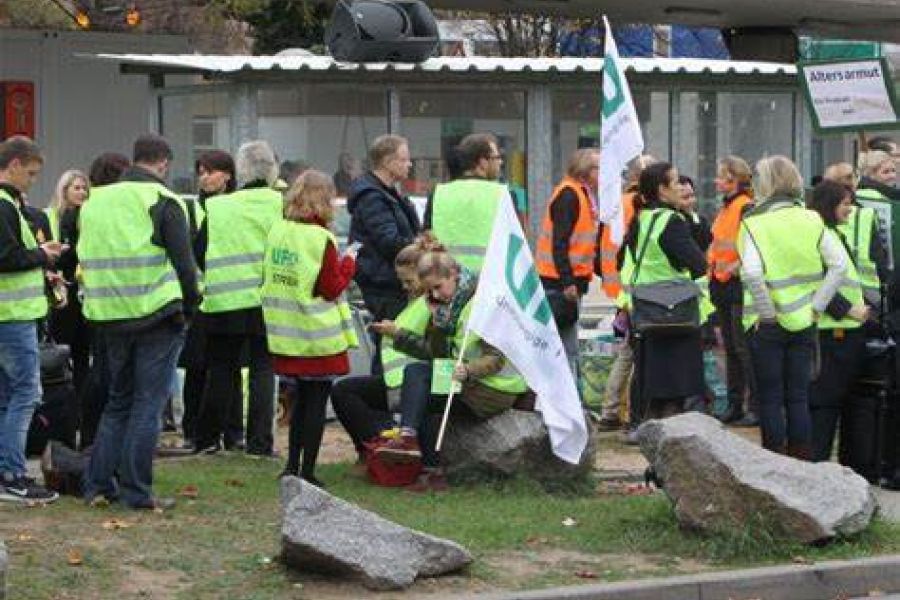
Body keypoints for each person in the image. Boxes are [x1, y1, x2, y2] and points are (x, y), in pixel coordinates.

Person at [80, 133, 200, 510]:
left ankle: (97, 485)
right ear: (163, 163)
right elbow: (185, 265)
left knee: (119, 402)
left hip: (110, 314)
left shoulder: (95, 202)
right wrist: (190, 308)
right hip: (156, 314)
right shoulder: (164, 200)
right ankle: (136, 491)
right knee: (148, 403)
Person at [371, 250, 528, 490]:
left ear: (454, 275)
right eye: (428, 291)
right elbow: (437, 355)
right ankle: (423, 459)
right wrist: (421, 329)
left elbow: (496, 359)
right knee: (419, 385)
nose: (434, 295)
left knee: (419, 385)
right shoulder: (450, 306)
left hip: (492, 390)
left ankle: (417, 451)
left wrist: (468, 370)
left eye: (437, 287)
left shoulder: (482, 305)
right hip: (468, 382)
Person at [739, 155, 847, 459]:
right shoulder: (812, 218)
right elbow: (838, 266)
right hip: (805, 320)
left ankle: (774, 461)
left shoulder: (753, 223)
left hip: (767, 325)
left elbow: (751, 272)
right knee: (798, 397)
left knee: (770, 398)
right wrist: (817, 306)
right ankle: (801, 462)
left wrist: (767, 312)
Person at [261, 170, 357, 486]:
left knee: (298, 400)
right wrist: (349, 265)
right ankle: (308, 471)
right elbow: (330, 288)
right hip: (317, 334)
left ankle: (290, 465)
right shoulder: (321, 239)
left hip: (285, 332)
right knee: (316, 403)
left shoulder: (277, 231)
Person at [193, 141, 281, 456]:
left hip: (222, 299)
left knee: (220, 369)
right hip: (265, 299)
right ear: (272, 170)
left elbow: (198, 250)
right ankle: (259, 444)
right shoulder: (279, 204)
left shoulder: (217, 207)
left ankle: (207, 439)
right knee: (263, 369)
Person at [331, 235, 437, 466]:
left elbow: (433, 350)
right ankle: (375, 445)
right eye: (402, 281)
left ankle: (382, 446)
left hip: (412, 386)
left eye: (409, 282)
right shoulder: (413, 302)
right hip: (394, 382)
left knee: (347, 392)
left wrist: (395, 333)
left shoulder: (432, 304)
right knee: (343, 391)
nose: (404, 287)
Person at [619, 162, 708, 428]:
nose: (681, 187)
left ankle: (649, 437)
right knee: (675, 388)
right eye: (675, 182)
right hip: (676, 313)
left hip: (647, 311)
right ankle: (670, 444)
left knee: (655, 386)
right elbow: (698, 263)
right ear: (662, 189)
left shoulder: (643, 217)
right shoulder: (671, 221)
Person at [0, 135, 63, 503]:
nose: (33, 180)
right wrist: (42, 254)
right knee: (26, 393)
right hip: (13, 316)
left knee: (9, 396)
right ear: (14, 165)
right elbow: (7, 257)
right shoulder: (5, 205)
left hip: (10, 315)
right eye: (31, 173)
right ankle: (12, 473)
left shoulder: (10, 204)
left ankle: (7, 469)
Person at [806, 180, 871, 462]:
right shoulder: (820, 236)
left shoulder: (833, 234)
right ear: (829, 205)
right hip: (832, 333)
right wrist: (847, 310)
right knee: (824, 406)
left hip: (845, 333)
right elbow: (818, 281)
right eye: (845, 204)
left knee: (838, 405)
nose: (850, 210)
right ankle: (817, 468)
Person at [347, 134, 421, 373]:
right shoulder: (372, 197)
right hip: (384, 284)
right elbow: (390, 242)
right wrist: (420, 246)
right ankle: (383, 395)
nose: (410, 164)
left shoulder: (388, 194)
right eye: (405, 159)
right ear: (388, 162)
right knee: (389, 345)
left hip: (390, 281)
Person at [179, 150, 237, 450]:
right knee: (196, 366)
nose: (204, 177)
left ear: (227, 174)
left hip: (229, 295)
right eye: (200, 172)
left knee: (228, 368)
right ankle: (193, 429)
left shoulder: (237, 206)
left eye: (210, 171)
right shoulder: (192, 209)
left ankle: (231, 432)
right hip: (200, 298)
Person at [596, 155, 655, 431]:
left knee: (627, 351)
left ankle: (610, 410)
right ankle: (624, 412)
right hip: (635, 289)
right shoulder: (639, 206)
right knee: (633, 352)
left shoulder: (618, 203)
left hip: (619, 286)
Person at [78, 153, 131, 450]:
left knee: (99, 374)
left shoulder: (88, 207)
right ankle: (100, 443)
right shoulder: (115, 207)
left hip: (96, 301)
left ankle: (89, 438)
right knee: (113, 381)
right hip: (120, 301)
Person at [534, 148, 601, 379]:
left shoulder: (580, 194)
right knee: (565, 346)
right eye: (598, 168)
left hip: (565, 281)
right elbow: (559, 243)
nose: (602, 174)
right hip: (560, 284)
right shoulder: (569, 195)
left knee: (565, 344)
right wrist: (568, 282)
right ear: (585, 171)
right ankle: (567, 399)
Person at [707, 156, 757, 426]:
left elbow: (749, 244)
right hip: (723, 283)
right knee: (732, 347)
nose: (716, 181)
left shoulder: (745, 207)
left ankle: (752, 405)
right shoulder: (728, 208)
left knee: (741, 347)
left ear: (733, 179)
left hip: (737, 285)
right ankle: (736, 404)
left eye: (721, 175)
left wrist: (737, 266)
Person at [424, 132, 509, 273]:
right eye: (497, 157)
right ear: (482, 162)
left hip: (447, 280)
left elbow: (427, 236)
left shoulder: (439, 193)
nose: (500, 162)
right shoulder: (501, 194)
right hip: (490, 281)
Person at [46, 170, 91, 397]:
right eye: (76, 188)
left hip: (85, 292)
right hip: (60, 291)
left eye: (85, 188)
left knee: (83, 353)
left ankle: (81, 409)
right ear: (64, 191)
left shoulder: (90, 218)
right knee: (62, 351)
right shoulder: (52, 216)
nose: (82, 192)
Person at [824, 162, 890, 312]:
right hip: (865, 298)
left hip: (827, 302)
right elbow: (880, 261)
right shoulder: (865, 214)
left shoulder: (812, 214)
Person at [675, 176, 712, 251]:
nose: (691, 201)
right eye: (685, 197)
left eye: (692, 195)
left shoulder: (701, 221)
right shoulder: (671, 222)